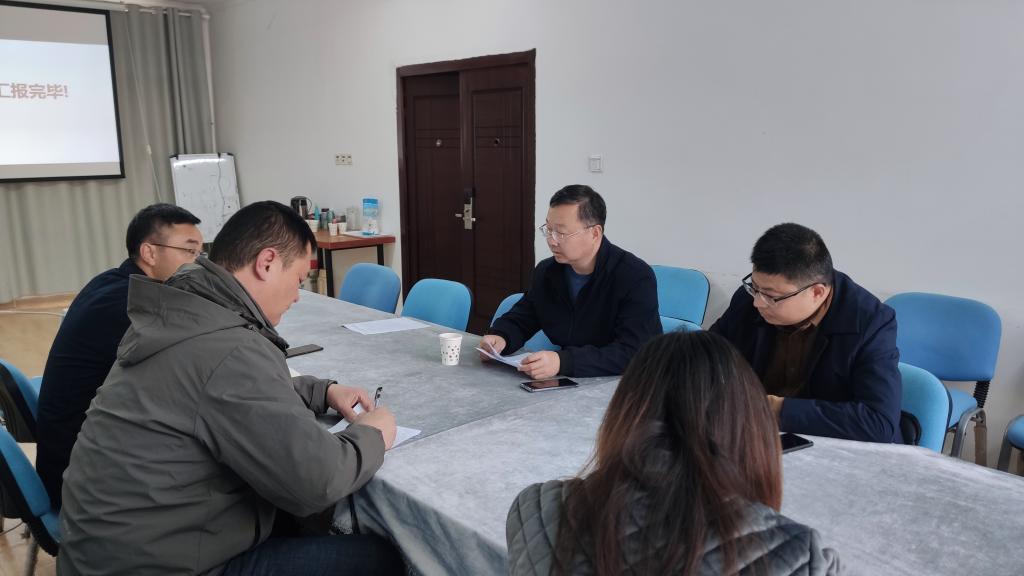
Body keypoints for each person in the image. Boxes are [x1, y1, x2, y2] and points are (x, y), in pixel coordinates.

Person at [58, 201, 404, 576]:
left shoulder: (182, 311)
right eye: (299, 279)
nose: (297, 295)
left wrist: (320, 391)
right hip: (160, 565)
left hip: (106, 551)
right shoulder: (229, 348)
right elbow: (318, 481)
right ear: (267, 262)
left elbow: (216, 391)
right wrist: (372, 433)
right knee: (378, 558)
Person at [506, 331, 841, 575]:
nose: (759, 299)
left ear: (626, 412)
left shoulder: (536, 509)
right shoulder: (801, 556)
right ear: (747, 428)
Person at [36, 203, 203, 508]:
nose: (198, 263)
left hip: (75, 453)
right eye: (189, 251)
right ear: (149, 252)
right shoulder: (129, 307)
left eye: (200, 253)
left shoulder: (112, 282)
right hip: (82, 481)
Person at [709, 223, 901, 443]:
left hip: (832, 447)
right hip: (754, 438)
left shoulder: (871, 323)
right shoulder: (749, 299)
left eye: (771, 296)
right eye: (754, 287)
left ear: (817, 292)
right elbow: (707, 357)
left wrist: (772, 408)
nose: (758, 302)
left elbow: (878, 423)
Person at [482, 185, 661, 379]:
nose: (552, 241)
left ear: (595, 233)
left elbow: (633, 351)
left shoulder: (634, 277)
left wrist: (564, 362)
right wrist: (501, 337)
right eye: (548, 230)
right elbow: (526, 315)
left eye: (561, 233)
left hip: (625, 382)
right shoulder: (547, 271)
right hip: (573, 380)